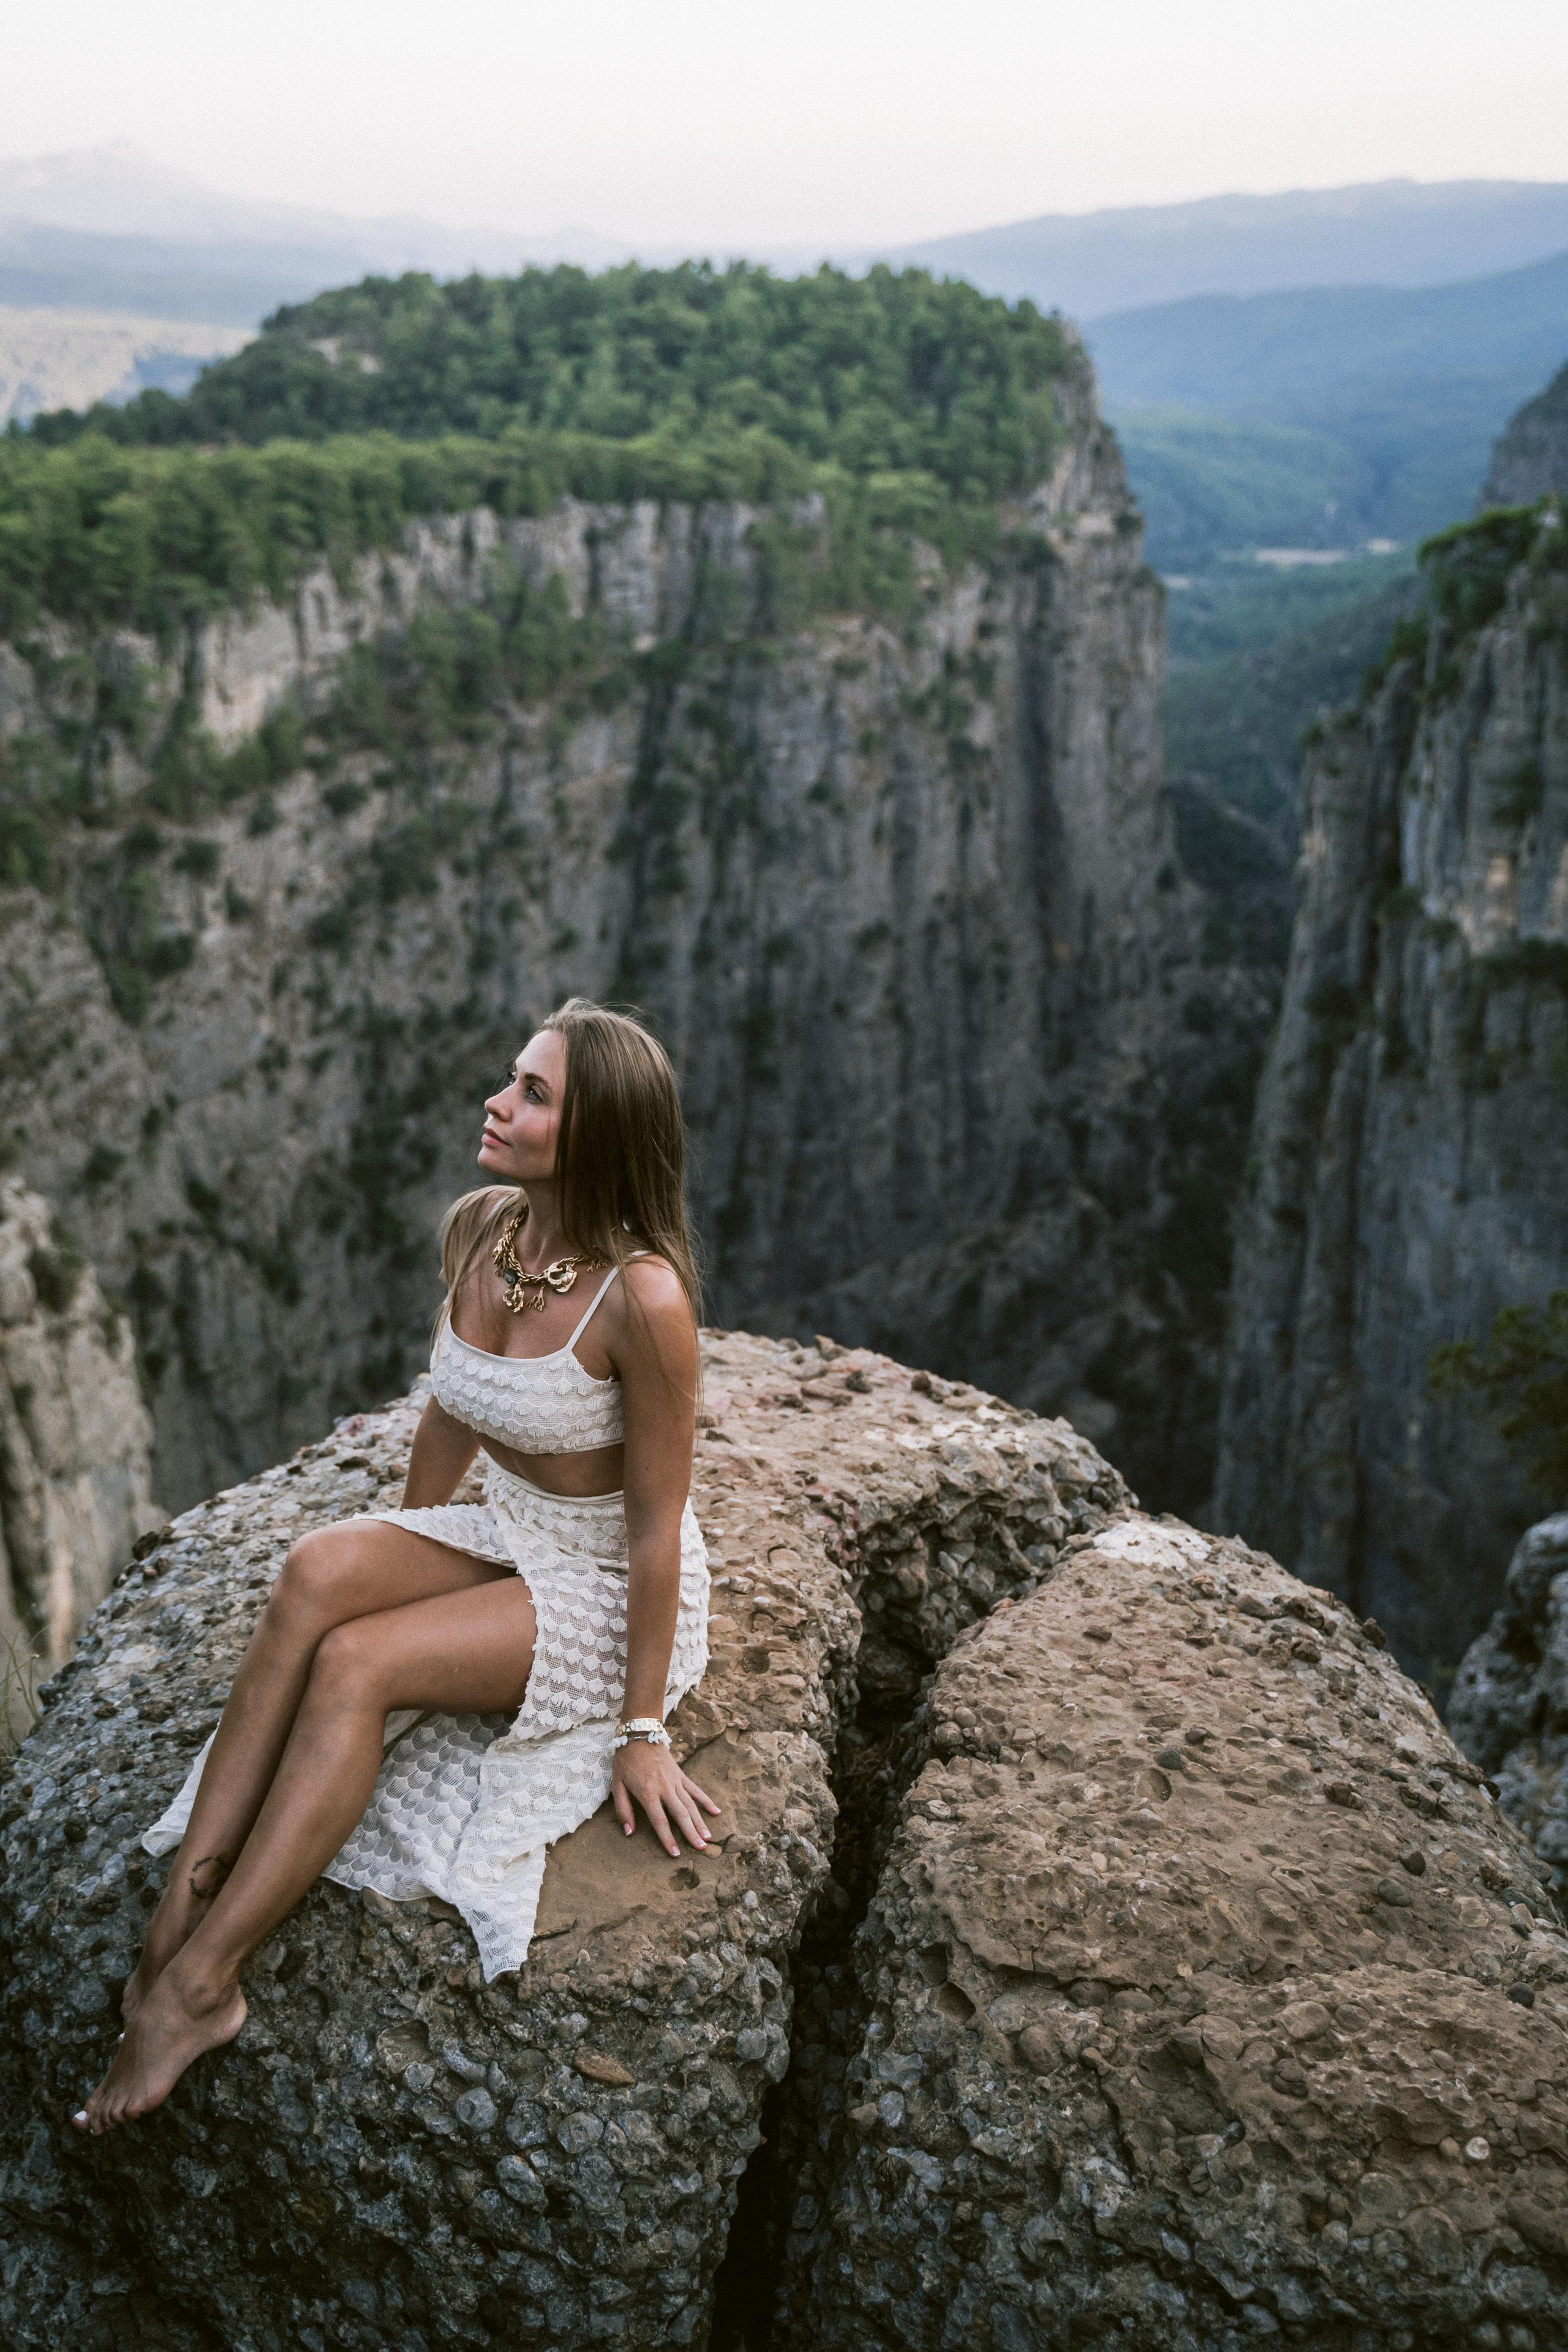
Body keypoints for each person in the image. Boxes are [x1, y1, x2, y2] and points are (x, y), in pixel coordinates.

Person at [75, 998, 717, 2133]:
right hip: (511, 1533)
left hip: (607, 1586)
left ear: (596, 1135)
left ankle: (202, 1985)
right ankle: (180, 1907)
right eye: (512, 1078)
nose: (497, 1102)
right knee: (315, 1573)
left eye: (533, 1094)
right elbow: (454, 1407)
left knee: (360, 1664)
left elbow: (655, 1530)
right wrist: (407, 1549)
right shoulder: (485, 1231)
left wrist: (643, 1729)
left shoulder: (643, 1299)